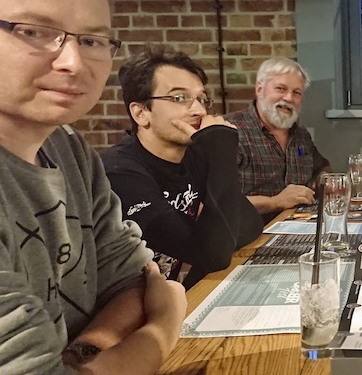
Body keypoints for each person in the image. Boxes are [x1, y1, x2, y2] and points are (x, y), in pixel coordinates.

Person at [0, 0, 186, 374]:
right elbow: (158, 298)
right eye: (34, 31)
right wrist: (164, 326)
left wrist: (85, 355)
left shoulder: (69, 148)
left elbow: (135, 280)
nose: (73, 62)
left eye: (93, 40)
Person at [103, 45, 264, 289]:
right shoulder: (120, 173)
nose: (199, 110)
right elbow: (212, 254)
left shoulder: (192, 158)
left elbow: (249, 223)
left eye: (201, 99)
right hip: (118, 315)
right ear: (141, 113)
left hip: (165, 300)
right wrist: (221, 154)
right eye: (179, 98)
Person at [225, 57, 331, 223]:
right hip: (247, 239)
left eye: (296, 93)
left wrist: (326, 182)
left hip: (300, 231)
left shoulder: (301, 135)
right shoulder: (229, 132)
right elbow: (216, 204)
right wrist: (275, 202)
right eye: (281, 89)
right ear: (259, 89)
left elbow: (321, 169)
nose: (289, 98)